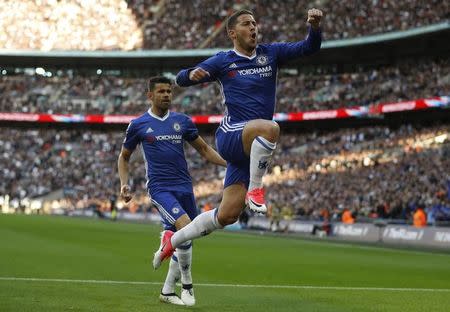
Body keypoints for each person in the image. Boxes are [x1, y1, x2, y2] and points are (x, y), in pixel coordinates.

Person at [153, 8, 323, 269]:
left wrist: (315, 26)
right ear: (233, 33)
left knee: (227, 215)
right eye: (247, 24)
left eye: (255, 23)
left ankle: (173, 241)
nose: (254, 27)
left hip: (251, 149)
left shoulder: (271, 53)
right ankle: (255, 189)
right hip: (232, 135)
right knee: (271, 128)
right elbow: (180, 78)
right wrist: (189, 76)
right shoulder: (223, 60)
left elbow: (309, 47)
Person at [118, 76, 226, 306]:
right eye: (161, 92)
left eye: (169, 91)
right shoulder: (138, 124)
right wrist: (124, 183)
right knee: (187, 227)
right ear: (150, 95)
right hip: (160, 188)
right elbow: (124, 157)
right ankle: (187, 285)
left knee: (187, 237)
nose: (167, 95)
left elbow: (205, 150)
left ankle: (167, 290)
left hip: (185, 187)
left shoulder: (183, 121)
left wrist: (231, 165)